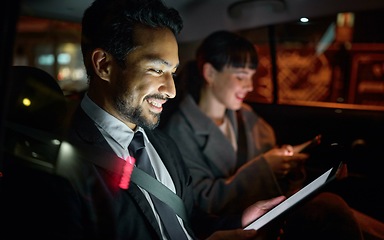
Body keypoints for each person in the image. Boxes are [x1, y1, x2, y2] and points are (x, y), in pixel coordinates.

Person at [0, 0, 289, 240]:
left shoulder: (164, 146)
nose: (172, 90)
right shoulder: (53, 169)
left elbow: (186, 222)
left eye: (172, 73)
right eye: (155, 70)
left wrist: (239, 220)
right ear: (104, 65)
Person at [163, 30, 384, 240]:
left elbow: (271, 156)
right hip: (240, 223)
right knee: (330, 207)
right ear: (210, 73)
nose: (250, 86)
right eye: (241, 77)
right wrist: (265, 167)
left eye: (251, 76)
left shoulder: (244, 116)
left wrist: (287, 165)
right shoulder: (180, 130)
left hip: (271, 209)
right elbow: (202, 202)